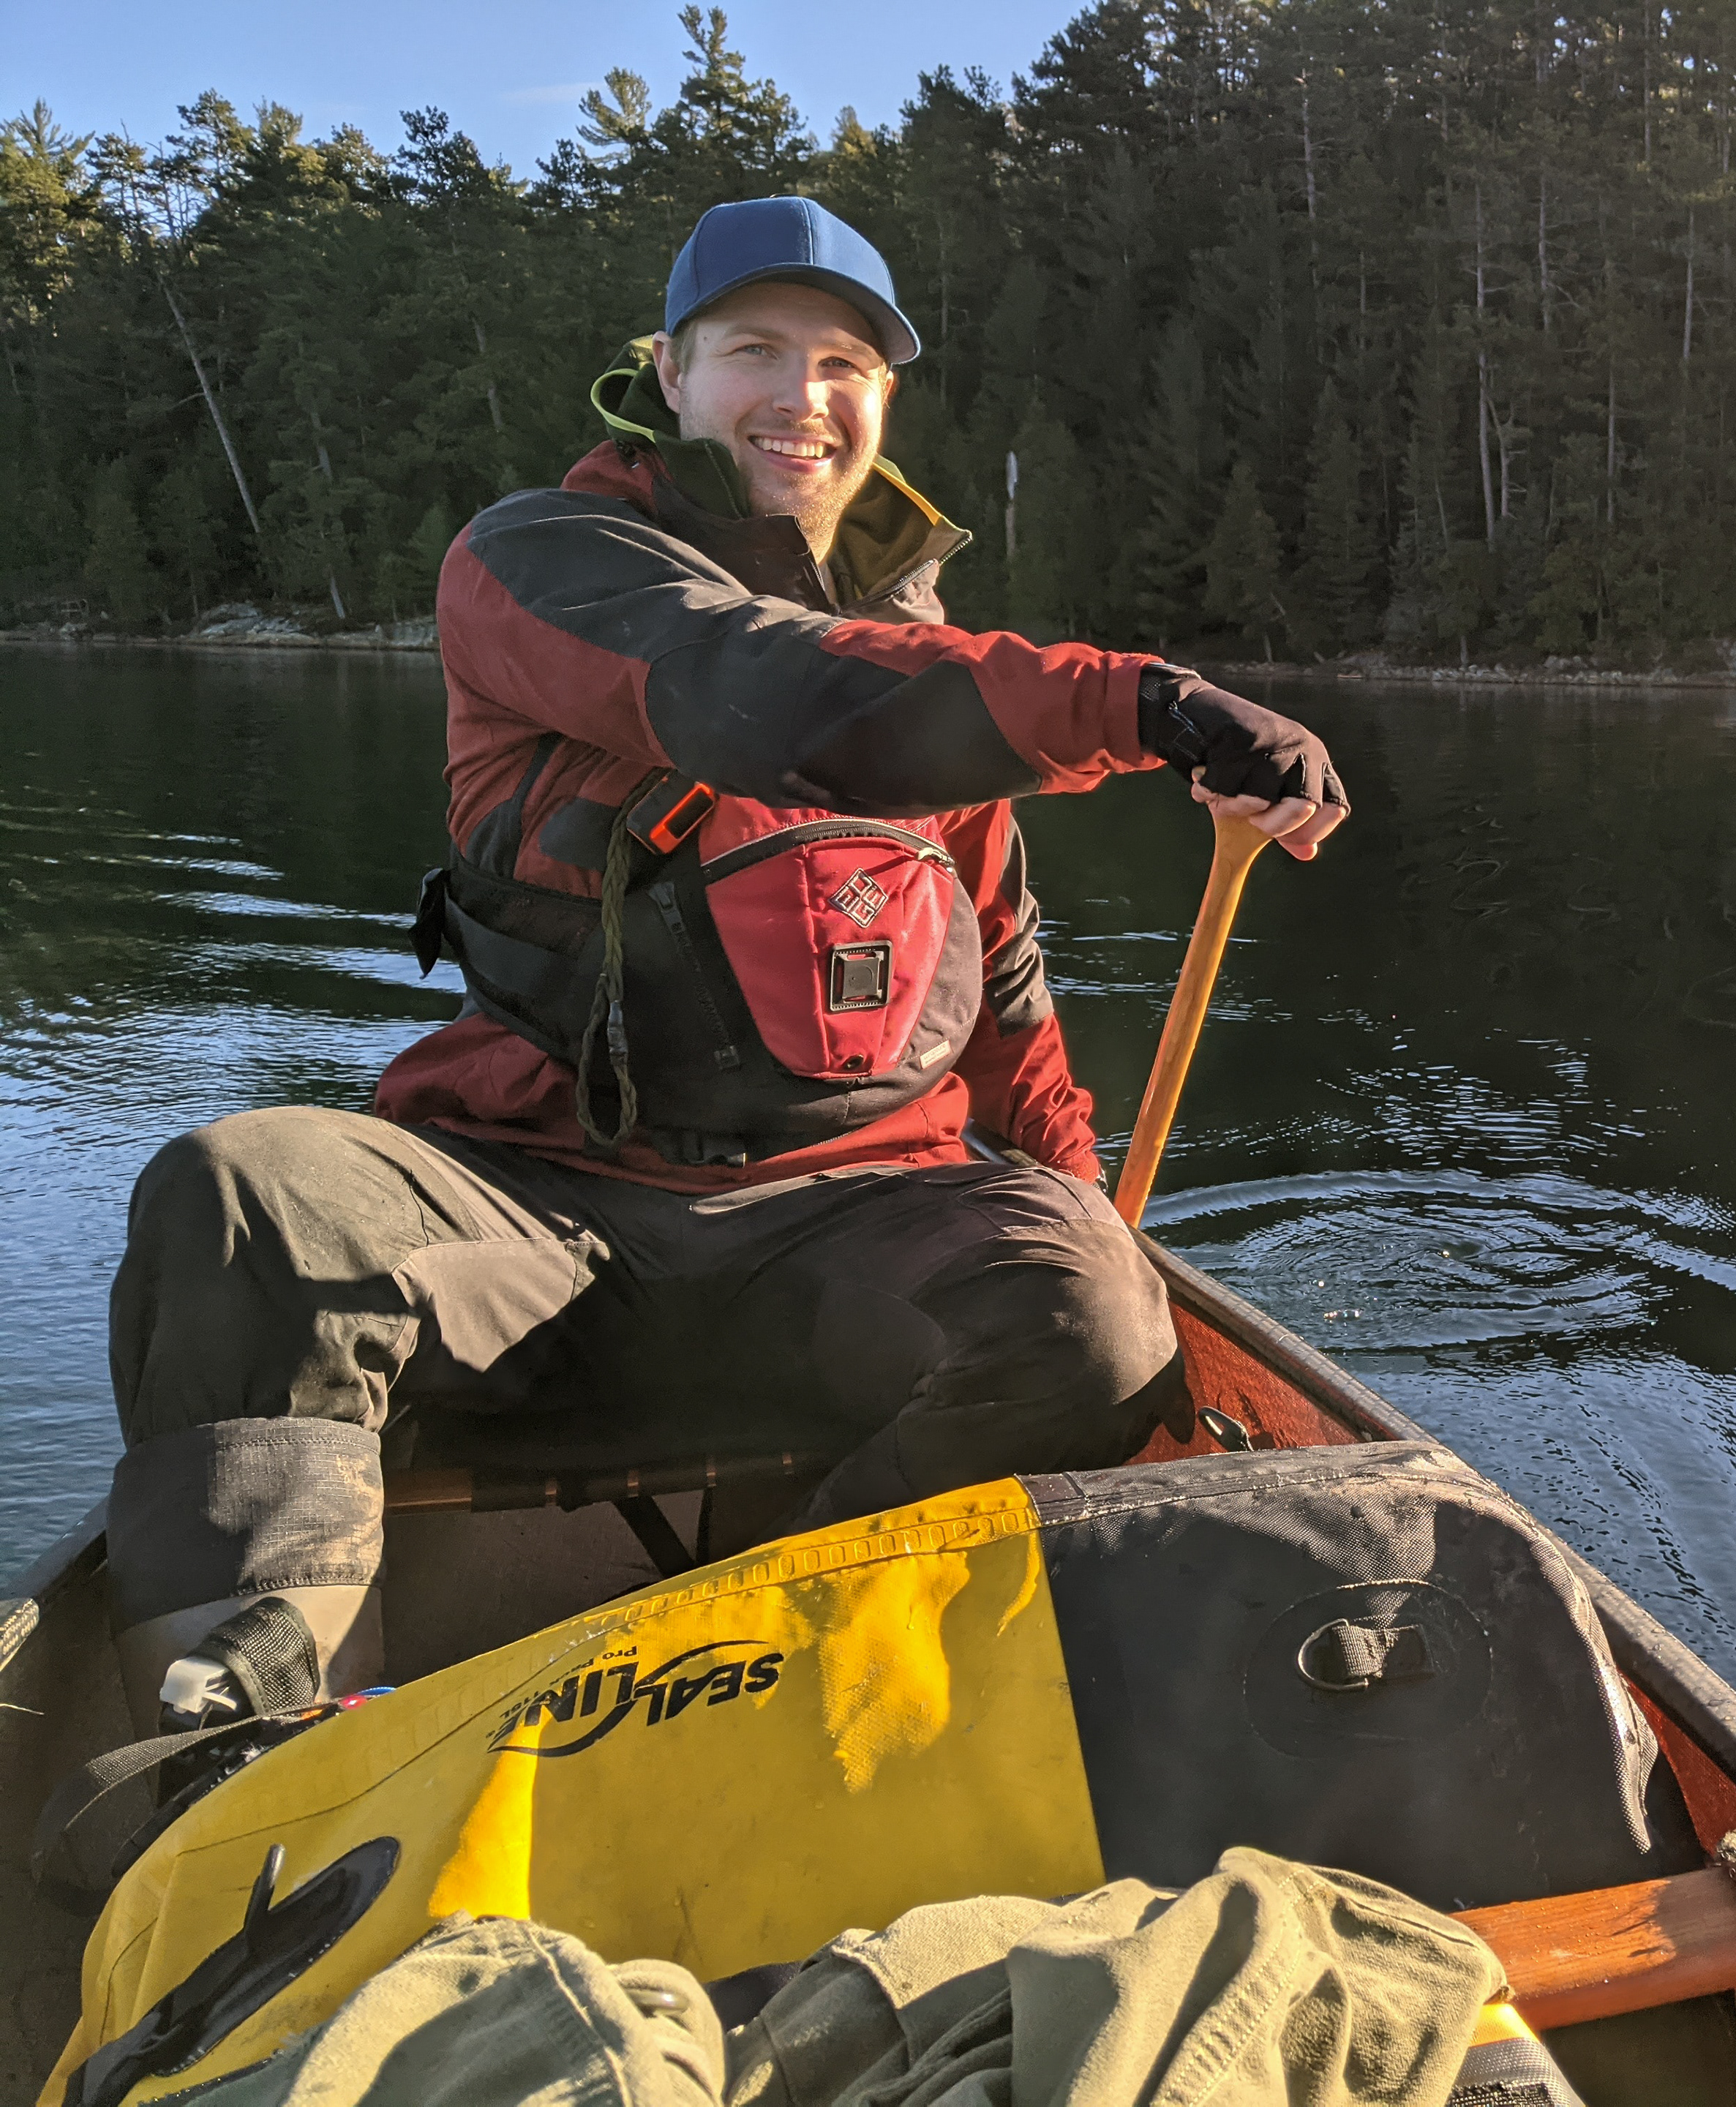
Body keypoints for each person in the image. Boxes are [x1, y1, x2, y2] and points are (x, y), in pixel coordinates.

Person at [100, 196, 1346, 1736]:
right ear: (671, 376)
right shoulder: (540, 561)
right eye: (755, 350)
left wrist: (1081, 1201)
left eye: (845, 365)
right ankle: (238, 1747)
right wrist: (1143, 703)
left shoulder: (931, 668)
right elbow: (761, 685)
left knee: (1094, 1314)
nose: (802, 395)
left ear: (881, 402)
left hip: (839, 1239)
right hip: (540, 1221)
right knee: (247, 1194)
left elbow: (1004, 990)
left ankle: (755, 1644)